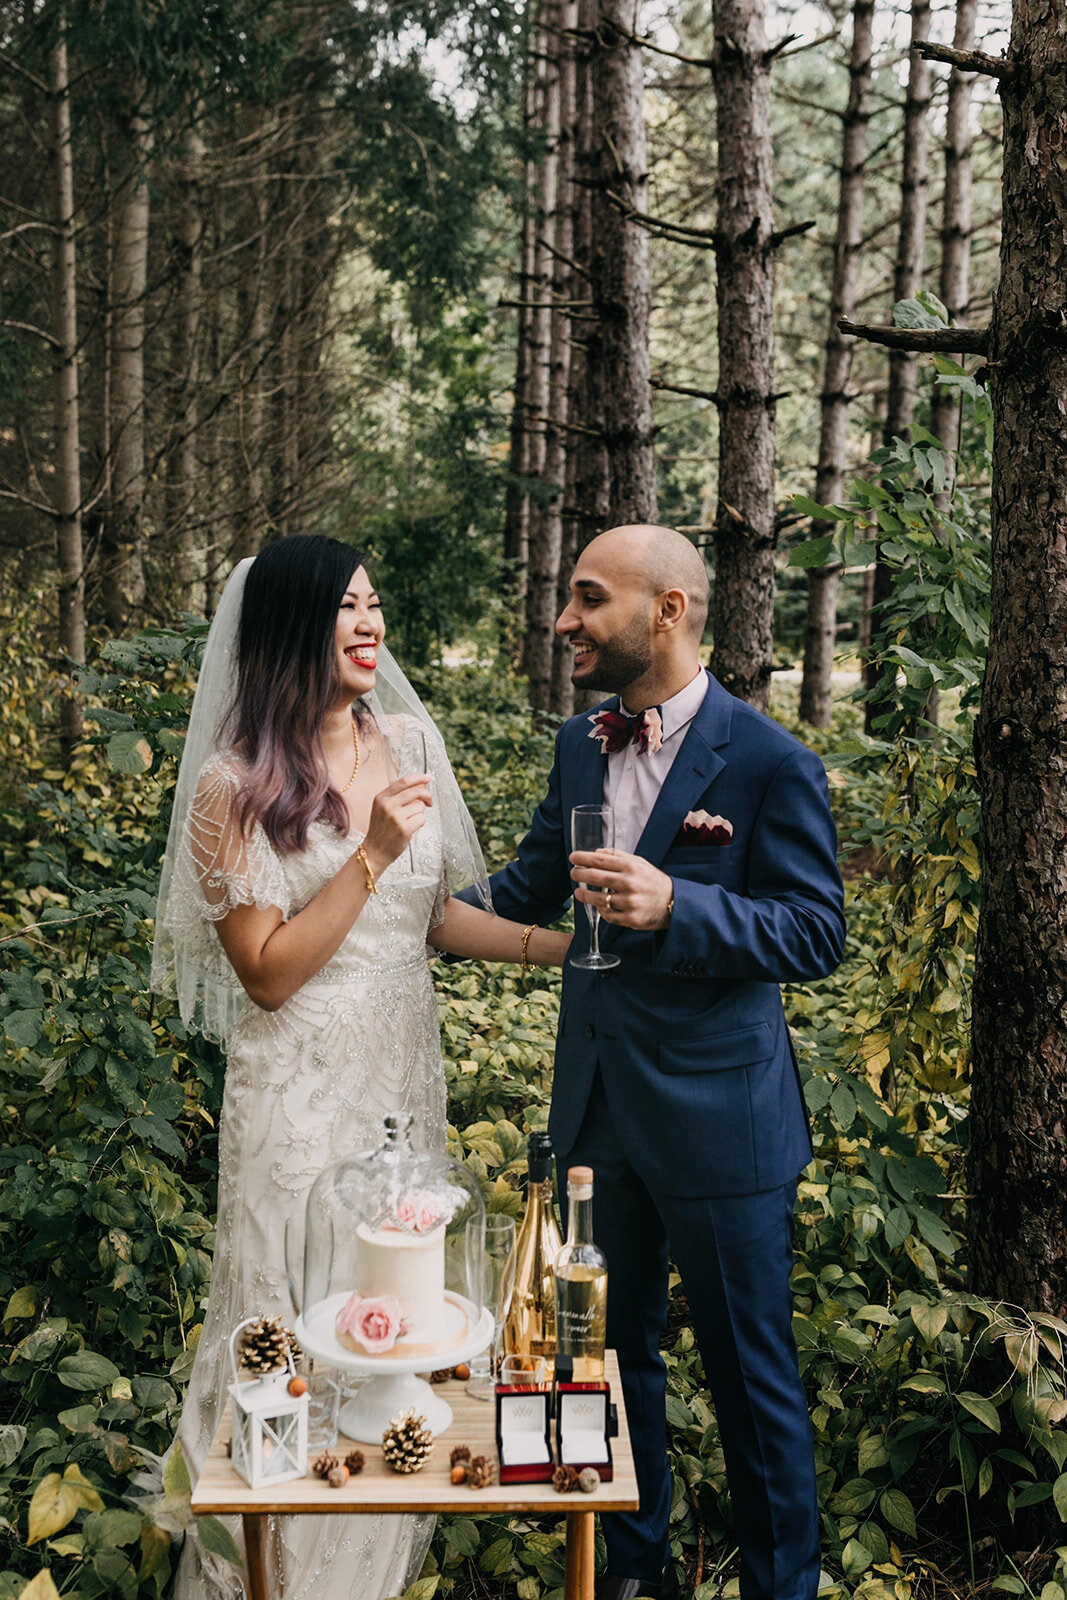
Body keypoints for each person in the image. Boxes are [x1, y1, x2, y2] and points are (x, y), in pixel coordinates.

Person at [151, 535, 570, 1600]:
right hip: (295, 1088)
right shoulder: (230, 786)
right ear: (293, 626)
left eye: (374, 602)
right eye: (344, 606)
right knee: (286, 1318)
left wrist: (573, 954)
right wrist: (371, 850)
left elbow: (433, 921)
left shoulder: (409, 741)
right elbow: (267, 973)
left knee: (394, 1325)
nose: (369, 622)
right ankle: (268, 1578)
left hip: (397, 1078)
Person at [468, 524, 846, 1600]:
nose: (565, 621)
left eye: (588, 599)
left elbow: (815, 932)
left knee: (747, 1378)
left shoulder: (771, 760)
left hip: (721, 1123)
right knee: (604, 1362)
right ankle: (627, 1573)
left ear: (667, 610)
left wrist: (682, 901)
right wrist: (382, 892)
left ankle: (783, 1586)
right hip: (594, 1115)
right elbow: (532, 880)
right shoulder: (577, 741)